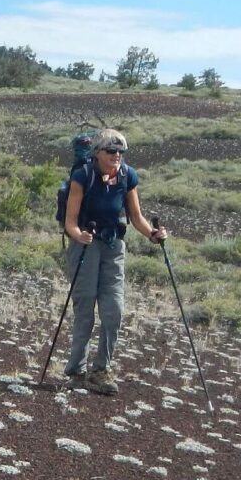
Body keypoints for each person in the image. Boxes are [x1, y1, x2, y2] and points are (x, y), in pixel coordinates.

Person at [60, 128, 167, 395]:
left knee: (114, 309)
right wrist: (79, 236)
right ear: (97, 153)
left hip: (113, 245)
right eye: (112, 151)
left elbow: (136, 216)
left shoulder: (127, 176)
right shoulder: (82, 176)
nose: (117, 156)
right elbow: (70, 222)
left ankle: (101, 370)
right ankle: (76, 371)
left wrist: (153, 235)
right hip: (85, 246)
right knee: (85, 309)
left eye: (120, 152)